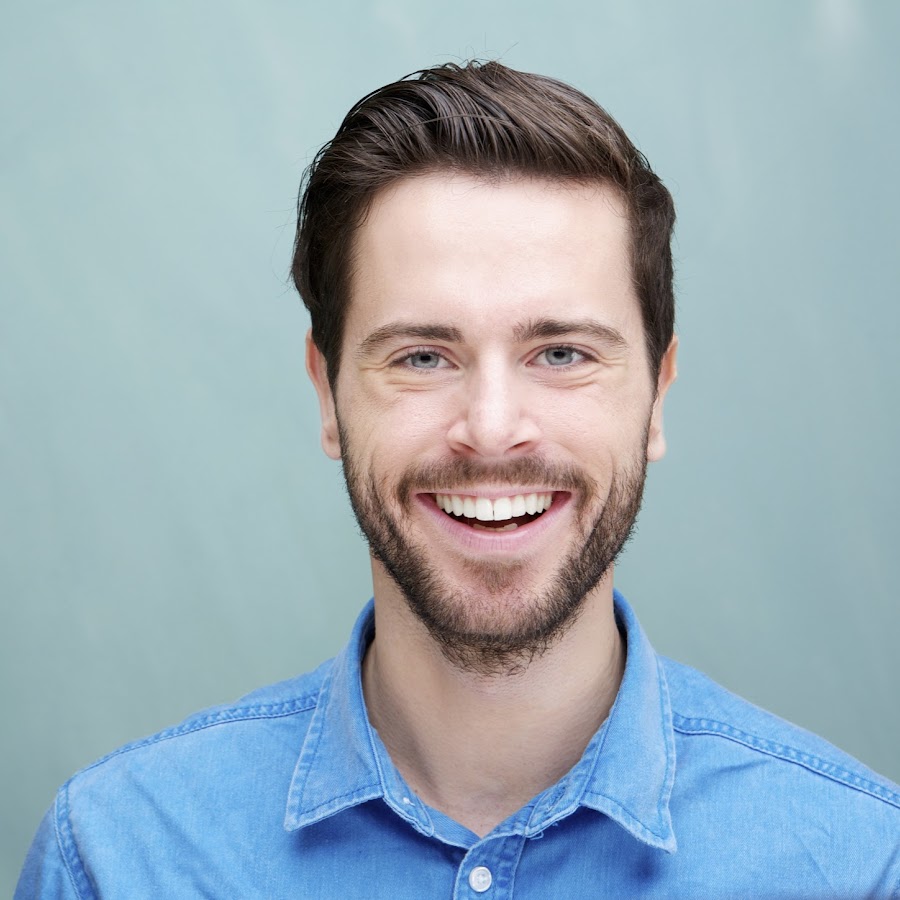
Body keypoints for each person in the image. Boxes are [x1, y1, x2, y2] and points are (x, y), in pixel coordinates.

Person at [16, 60, 900, 899]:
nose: (490, 428)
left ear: (657, 395)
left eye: (561, 353)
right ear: (327, 394)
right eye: (423, 356)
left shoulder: (857, 865)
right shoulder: (118, 855)